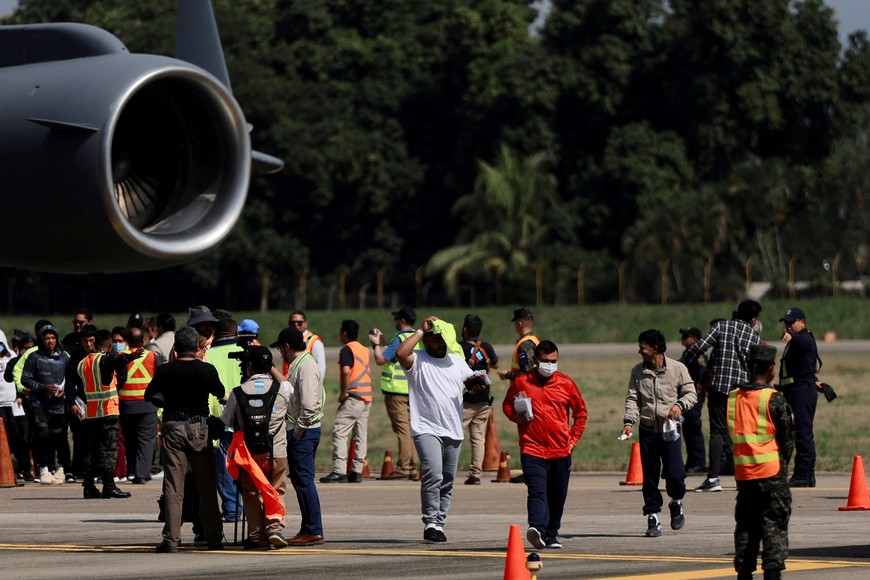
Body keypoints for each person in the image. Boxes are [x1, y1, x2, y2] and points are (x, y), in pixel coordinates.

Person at [144, 326, 225, 553]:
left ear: (176, 348)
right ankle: (214, 537)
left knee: (173, 485)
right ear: (196, 347)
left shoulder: (165, 371)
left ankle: (171, 539)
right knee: (206, 485)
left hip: (174, 429)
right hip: (200, 429)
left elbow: (149, 395)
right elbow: (219, 391)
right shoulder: (207, 370)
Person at [396, 316, 477, 543]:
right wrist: (421, 331)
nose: (439, 343)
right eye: (434, 339)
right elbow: (401, 353)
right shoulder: (418, 359)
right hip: (426, 427)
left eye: (443, 339)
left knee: (448, 479)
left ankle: (440, 523)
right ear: (427, 340)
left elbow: (470, 385)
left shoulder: (457, 361)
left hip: (453, 428)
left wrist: (477, 385)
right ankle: (430, 522)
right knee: (434, 474)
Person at [503, 340, 586, 550]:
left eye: (554, 361)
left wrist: (573, 440)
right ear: (535, 360)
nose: (550, 365)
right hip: (532, 448)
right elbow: (507, 405)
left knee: (557, 496)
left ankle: (551, 534)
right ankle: (537, 529)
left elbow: (580, 414)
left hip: (560, 450)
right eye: (545, 361)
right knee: (537, 491)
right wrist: (516, 417)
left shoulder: (566, 383)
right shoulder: (522, 382)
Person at [622, 329, 696, 537]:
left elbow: (691, 393)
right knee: (650, 476)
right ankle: (652, 516)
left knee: (675, 474)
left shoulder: (677, 368)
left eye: (642, 347)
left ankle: (676, 501)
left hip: (670, 430)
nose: (640, 351)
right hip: (647, 430)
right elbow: (632, 399)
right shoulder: (638, 372)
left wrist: (679, 406)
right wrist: (629, 422)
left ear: (654, 349)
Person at [682, 300, 762, 492]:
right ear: (753, 320)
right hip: (741, 391)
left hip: (718, 388)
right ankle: (747, 476)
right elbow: (758, 366)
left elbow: (699, 347)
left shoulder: (721, 326)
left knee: (717, 432)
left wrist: (683, 363)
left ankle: (713, 478)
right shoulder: (754, 337)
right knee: (742, 433)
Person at [730, 344, 794, 580]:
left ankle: (744, 573)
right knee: (774, 525)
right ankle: (772, 574)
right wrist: (782, 464)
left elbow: (732, 435)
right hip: (771, 473)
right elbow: (787, 439)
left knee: (746, 526)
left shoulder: (734, 398)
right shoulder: (773, 398)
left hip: (745, 475)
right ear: (771, 369)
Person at [222, 346, 291, 550]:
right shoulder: (283, 389)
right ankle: (275, 527)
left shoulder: (237, 392)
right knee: (276, 489)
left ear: (249, 366)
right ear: (269, 366)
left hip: (248, 455)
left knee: (251, 494)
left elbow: (227, 420)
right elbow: (293, 405)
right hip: (276, 451)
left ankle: (257, 536)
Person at [273, 327, 325, 546]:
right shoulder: (300, 363)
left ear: (286, 347)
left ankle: (313, 529)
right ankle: (308, 527)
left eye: (280, 348)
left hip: (305, 432)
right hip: (304, 430)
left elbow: (309, 405)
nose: (280, 353)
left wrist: (297, 432)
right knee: (301, 480)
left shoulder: (305, 365)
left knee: (304, 481)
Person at [74, 329, 141, 499]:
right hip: (107, 411)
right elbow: (116, 359)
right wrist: (132, 356)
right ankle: (109, 486)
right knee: (109, 451)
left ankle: (88, 486)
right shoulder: (103, 359)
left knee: (93, 451)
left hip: (91, 413)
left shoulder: (82, 363)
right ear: (109, 345)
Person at [369, 306, 420, 479]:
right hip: (413, 390)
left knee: (402, 429)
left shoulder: (400, 338)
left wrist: (375, 344)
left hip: (396, 391)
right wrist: (384, 341)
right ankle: (412, 466)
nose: (395, 322)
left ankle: (404, 467)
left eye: (397, 319)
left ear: (402, 320)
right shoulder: (417, 338)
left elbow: (380, 359)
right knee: (412, 428)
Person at [321, 320, 372, 484]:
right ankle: (356, 471)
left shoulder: (346, 350)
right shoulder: (363, 349)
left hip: (353, 396)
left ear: (344, 333)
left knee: (340, 433)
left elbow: (345, 371)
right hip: (366, 397)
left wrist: (343, 393)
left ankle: (339, 470)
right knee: (360, 435)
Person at [203, 318, 243, 522]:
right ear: (236, 332)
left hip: (220, 418)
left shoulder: (208, 355)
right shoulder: (246, 351)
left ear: (216, 334)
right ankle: (250, 506)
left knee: (225, 467)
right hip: (247, 417)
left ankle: (232, 509)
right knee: (248, 464)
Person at [21, 323, 71, 485]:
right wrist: (42, 387)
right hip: (39, 403)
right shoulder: (34, 357)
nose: (50, 341)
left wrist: (66, 391)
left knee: (58, 437)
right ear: (41, 340)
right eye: (47, 338)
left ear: (57, 339)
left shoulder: (64, 357)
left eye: (52, 338)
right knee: (42, 433)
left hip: (57, 405)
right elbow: (25, 378)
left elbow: (72, 379)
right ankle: (43, 468)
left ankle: (60, 468)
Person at [777, 307, 819, 488]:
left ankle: (803, 474)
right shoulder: (796, 341)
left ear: (802, 322)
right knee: (799, 432)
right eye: (786, 323)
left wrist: (793, 338)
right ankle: (807, 475)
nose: (788, 326)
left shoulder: (805, 338)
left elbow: (802, 341)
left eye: (791, 322)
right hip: (795, 389)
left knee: (803, 433)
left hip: (802, 391)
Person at [498, 307, 540, 484]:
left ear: (520, 323)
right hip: (531, 393)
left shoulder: (525, 344)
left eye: (516, 322)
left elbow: (528, 372)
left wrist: (507, 375)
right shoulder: (534, 341)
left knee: (527, 434)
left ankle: (530, 470)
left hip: (526, 395)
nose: (515, 325)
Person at [459, 314, 499, 485]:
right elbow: (495, 364)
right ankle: (476, 473)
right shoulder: (486, 347)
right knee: (478, 438)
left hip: (466, 400)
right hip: (484, 400)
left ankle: (448, 469)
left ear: (465, 329)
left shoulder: (460, 347)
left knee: (456, 436)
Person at [119, 327, 161, 484]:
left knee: (130, 439)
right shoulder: (152, 356)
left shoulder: (121, 356)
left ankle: (131, 471)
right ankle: (142, 474)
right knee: (146, 440)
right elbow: (159, 379)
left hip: (126, 404)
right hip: (147, 405)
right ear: (144, 340)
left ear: (127, 341)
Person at [678, 327, 708, 474]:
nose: (683, 338)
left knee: (693, 427)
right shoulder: (687, 354)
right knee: (688, 428)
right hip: (686, 396)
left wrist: (699, 386)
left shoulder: (698, 355)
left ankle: (698, 462)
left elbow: (703, 372)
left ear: (695, 339)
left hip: (695, 396)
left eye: (687, 336)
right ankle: (691, 461)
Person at [285, 311, 326, 384]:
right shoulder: (286, 341)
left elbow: (321, 366)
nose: (296, 325)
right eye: (292, 323)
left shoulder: (314, 341)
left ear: (306, 324)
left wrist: (317, 385)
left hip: (306, 383)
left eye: (299, 322)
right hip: (289, 383)